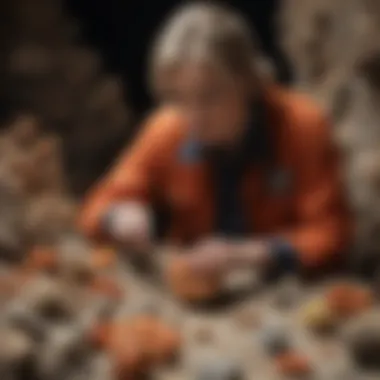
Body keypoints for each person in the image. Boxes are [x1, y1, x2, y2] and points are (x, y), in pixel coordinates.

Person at [78, 3, 351, 278]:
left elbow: (331, 233)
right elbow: (95, 208)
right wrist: (119, 218)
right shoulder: (168, 129)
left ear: (247, 81)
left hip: (284, 289)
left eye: (209, 96)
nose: (194, 116)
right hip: (196, 296)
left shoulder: (301, 126)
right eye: (178, 97)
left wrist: (249, 253)